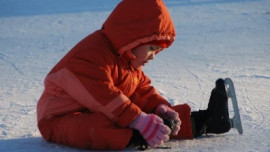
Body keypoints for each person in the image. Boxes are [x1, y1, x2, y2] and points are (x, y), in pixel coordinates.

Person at [36, 0, 231, 150]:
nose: (154, 56)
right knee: (106, 124)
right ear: (133, 39)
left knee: (147, 117)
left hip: (96, 109)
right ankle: (138, 135)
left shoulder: (126, 60)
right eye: (152, 48)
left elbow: (140, 90)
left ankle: (205, 120)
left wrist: (160, 108)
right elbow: (105, 97)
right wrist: (139, 121)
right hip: (60, 119)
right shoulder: (88, 57)